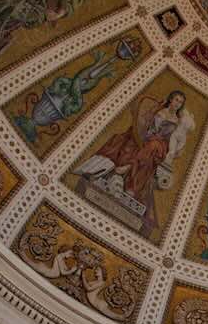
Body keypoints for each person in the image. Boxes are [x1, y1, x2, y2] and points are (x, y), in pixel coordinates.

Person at [71, 91, 192, 238]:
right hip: (145, 139)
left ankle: (127, 168)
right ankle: (125, 182)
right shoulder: (158, 110)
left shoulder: (177, 121)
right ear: (170, 99)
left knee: (153, 147)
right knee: (129, 143)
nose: (177, 103)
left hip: (159, 146)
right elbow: (143, 121)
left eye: (180, 102)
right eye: (176, 100)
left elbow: (175, 143)